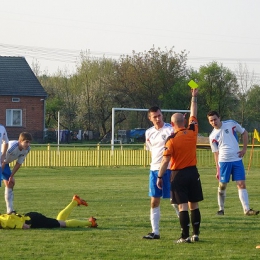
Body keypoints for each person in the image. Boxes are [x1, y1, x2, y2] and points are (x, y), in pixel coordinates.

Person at [157, 88, 203, 243]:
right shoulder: (193, 130)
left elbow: (165, 161)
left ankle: (184, 236)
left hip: (178, 175)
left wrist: (159, 176)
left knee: (182, 206)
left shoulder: (171, 139)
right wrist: (193, 97)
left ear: (172, 124)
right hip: (193, 172)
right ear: (185, 121)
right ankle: (196, 235)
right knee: (194, 205)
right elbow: (194, 112)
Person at [207, 110, 259, 216]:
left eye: (215, 119)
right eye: (211, 121)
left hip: (237, 160)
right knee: (222, 186)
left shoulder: (231, 124)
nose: (213, 122)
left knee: (241, 184)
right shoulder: (212, 136)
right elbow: (216, 154)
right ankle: (221, 209)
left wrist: (244, 149)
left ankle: (247, 210)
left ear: (219, 118)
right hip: (224, 162)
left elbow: (244, 133)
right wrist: (218, 169)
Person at [143, 106, 179, 240]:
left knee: (175, 200)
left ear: (162, 115)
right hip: (154, 170)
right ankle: (155, 232)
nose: (158, 119)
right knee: (154, 201)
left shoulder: (170, 130)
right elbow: (151, 150)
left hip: (170, 169)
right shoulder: (149, 133)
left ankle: (185, 228)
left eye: (159, 116)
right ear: (150, 118)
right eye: (154, 117)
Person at [0, 194, 98, 229]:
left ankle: (90, 223)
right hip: (31, 217)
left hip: (35, 221)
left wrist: (20, 226)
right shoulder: (1, 218)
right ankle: (74, 202)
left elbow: (21, 225)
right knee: (59, 222)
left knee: (62, 224)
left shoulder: (4, 221)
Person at [1, 132, 32, 214]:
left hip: (4, 163)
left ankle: (10, 210)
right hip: (1, 162)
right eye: (26, 142)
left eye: (29, 142)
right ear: (20, 141)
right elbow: (3, 162)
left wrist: (11, 175)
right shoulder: (11, 147)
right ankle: (10, 210)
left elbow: (18, 163)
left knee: (10, 182)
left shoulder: (27, 149)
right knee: (8, 183)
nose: (28, 144)